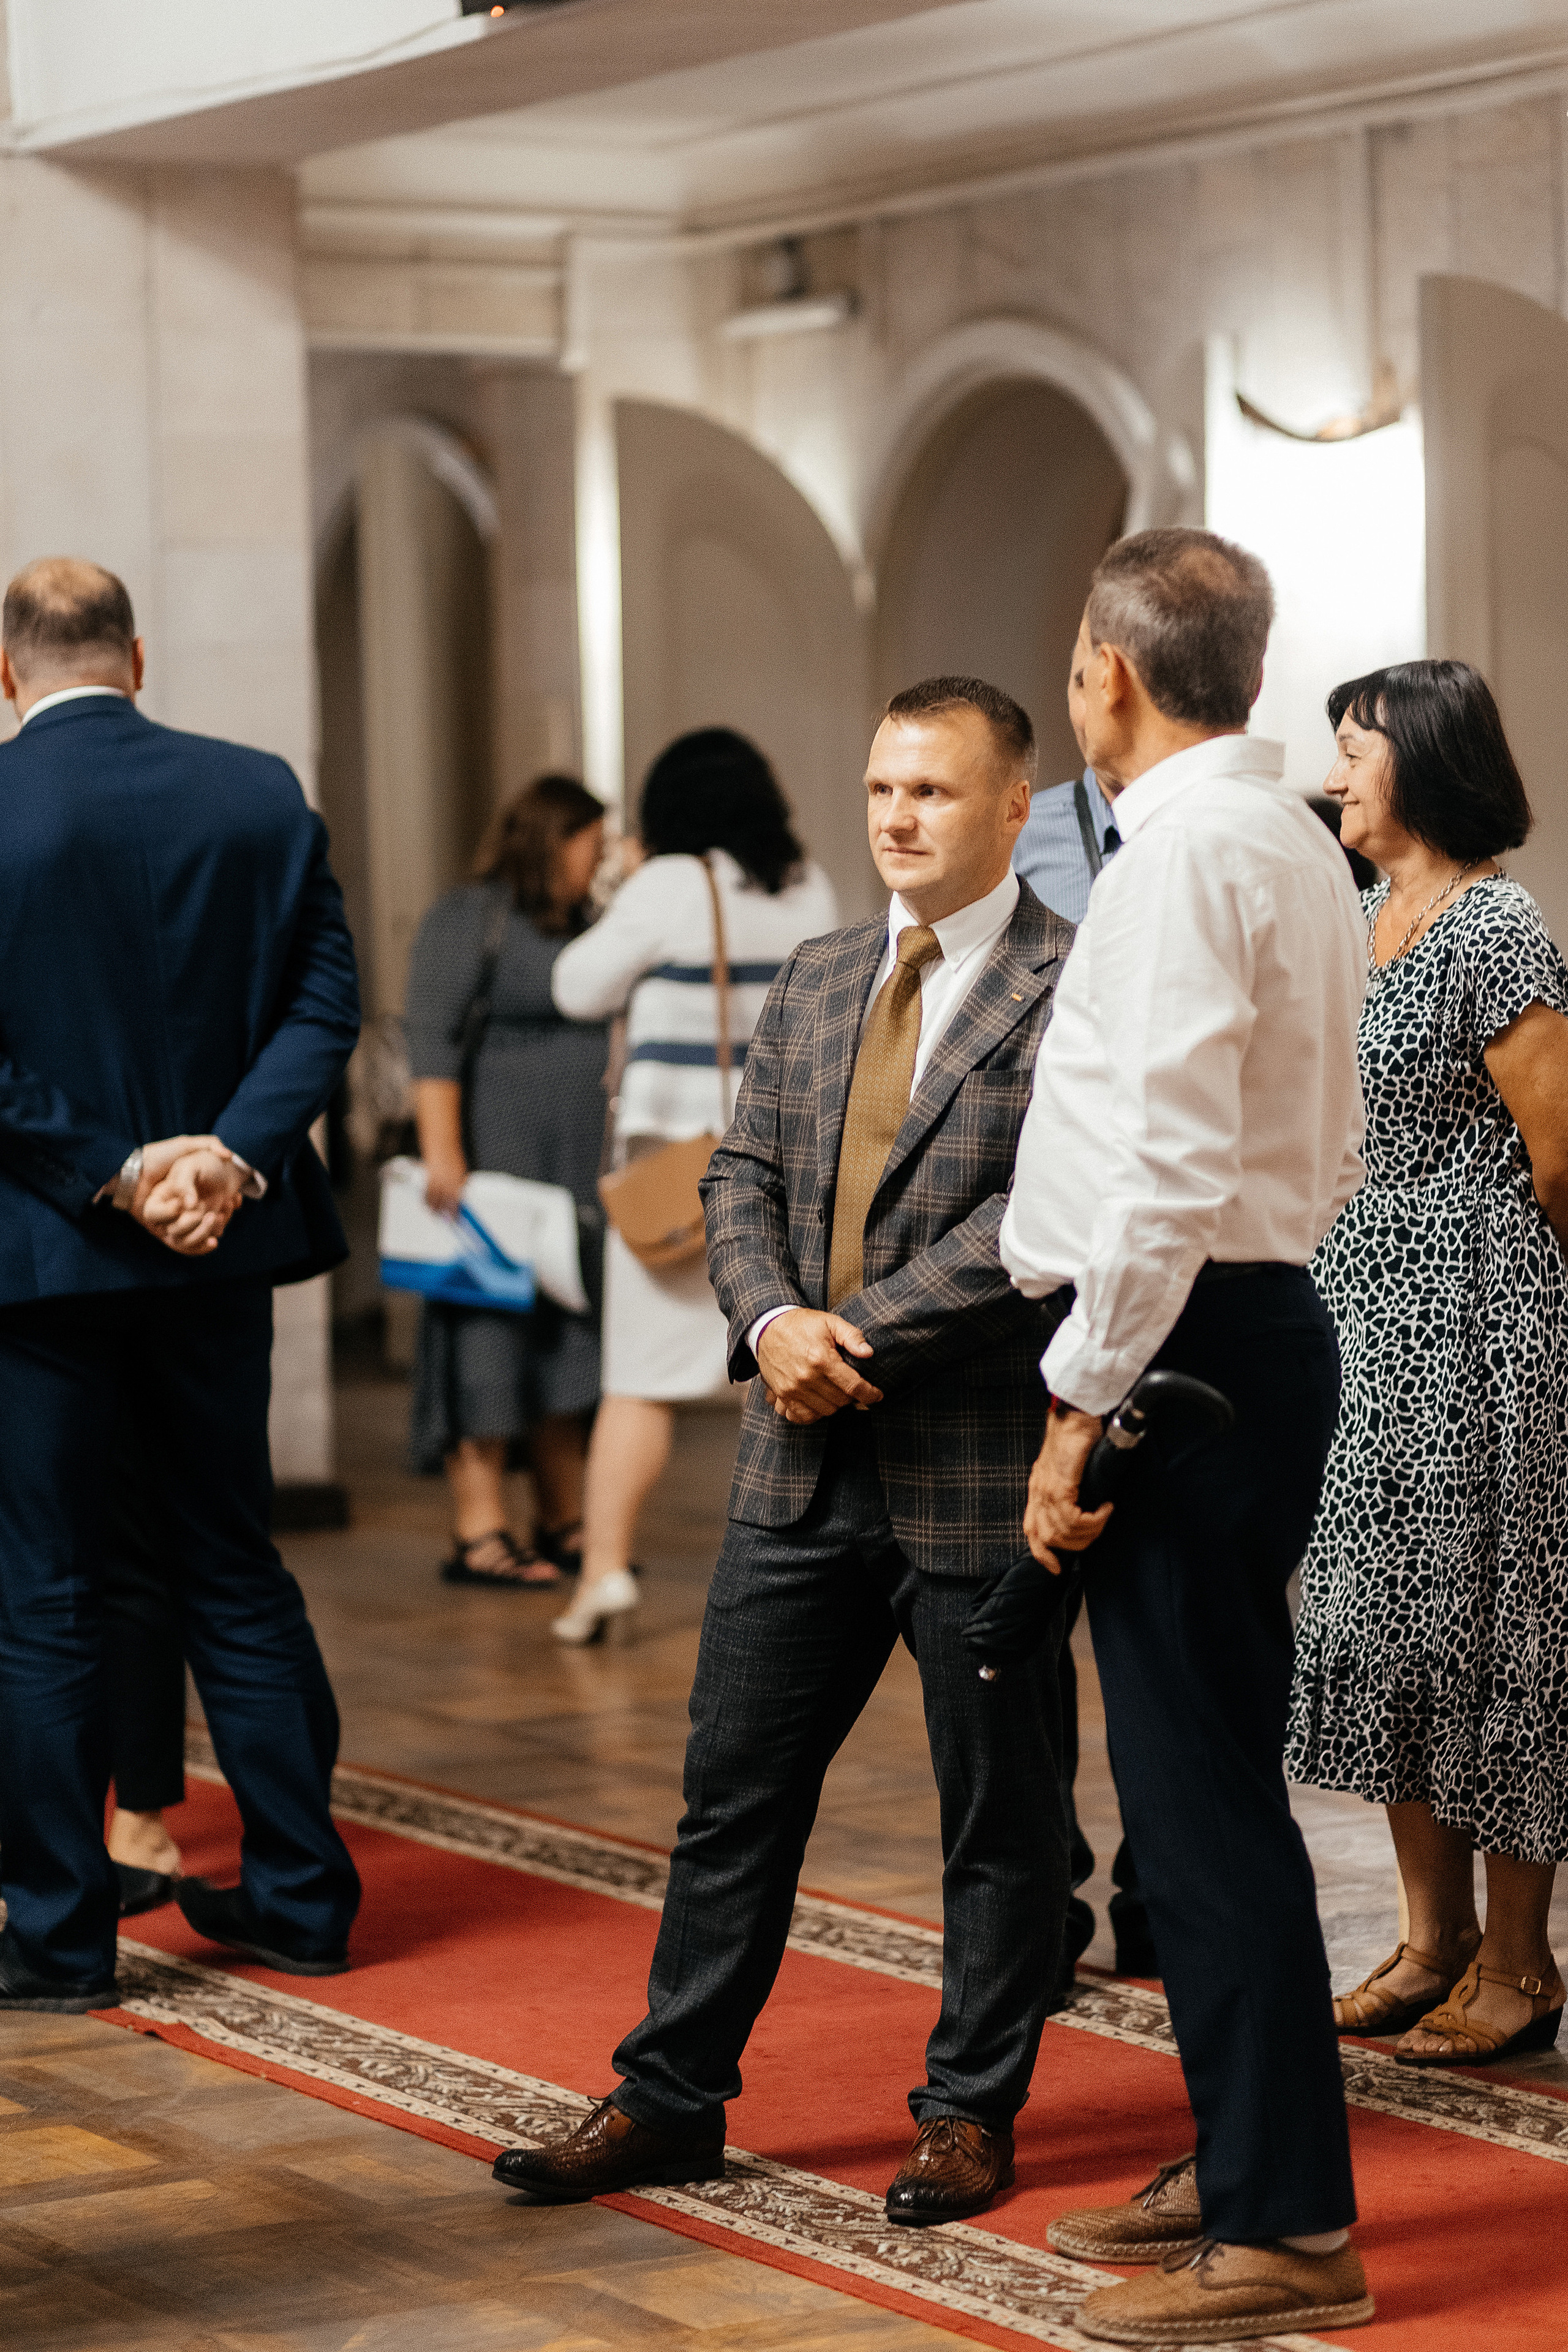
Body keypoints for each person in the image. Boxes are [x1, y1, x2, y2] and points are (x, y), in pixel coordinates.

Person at [494, 676, 1075, 2225]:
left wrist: (847, 1337)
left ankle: (967, 2112)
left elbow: (1042, 1220)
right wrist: (764, 1326)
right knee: (729, 1796)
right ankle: (668, 2096)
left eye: (931, 791)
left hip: (972, 1466)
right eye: (881, 789)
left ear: (1012, 805)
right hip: (794, 1466)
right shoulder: (819, 972)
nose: (897, 817)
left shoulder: (1072, 982)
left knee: (998, 1818)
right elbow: (737, 1172)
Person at [1000, 529, 1375, 2343]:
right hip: (1248, 1320)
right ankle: (1244, 2157)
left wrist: (1080, 1401)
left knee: (1200, 1801)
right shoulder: (1286, 838)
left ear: (1110, 673)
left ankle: (1286, 2227)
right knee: (1201, 1790)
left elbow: (1160, 1167)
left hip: (1181, 1344)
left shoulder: (1181, 857)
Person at [0, 556, 362, 2008]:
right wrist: (223, 1157)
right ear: (136, 658)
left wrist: (112, 1169)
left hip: (42, 1258)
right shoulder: (256, 790)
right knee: (232, 1563)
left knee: (46, 1592)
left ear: (8, 673)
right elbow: (325, 999)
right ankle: (301, 1898)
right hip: (220, 1248)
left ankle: (59, 1938)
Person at [1287, 660, 1568, 2067]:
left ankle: (1517, 1960)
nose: (1335, 773)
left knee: (1492, 1634)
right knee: (1383, 1628)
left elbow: (1557, 1154)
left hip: (1475, 1319)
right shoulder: (1352, 918)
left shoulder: (1494, 924)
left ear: (1428, 762)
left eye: (1356, 749)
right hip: (1357, 1317)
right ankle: (1429, 1937)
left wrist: (1517, 1308)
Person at [548, 729, 837, 1646]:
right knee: (785, 1374)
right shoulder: (808, 885)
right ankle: (805, 1576)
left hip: (679, 1180)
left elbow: (573, 987)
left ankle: (603, 1573)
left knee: (639, 1383)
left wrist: (632, 878)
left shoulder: (672, 883)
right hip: (788, 1164)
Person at [1013, 723, 1154, 1999]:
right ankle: (1044, 1899)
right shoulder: (1028, 832)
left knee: (1163, 1617)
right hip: (1046, 1268)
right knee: (1036, 1605)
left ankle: (1156, 1894)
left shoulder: (1241, 839)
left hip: (1183, 1267)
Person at [404, 775, 609, 1589]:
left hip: (573, 1178)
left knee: (567, 1342)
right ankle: (479, 1529)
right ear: (552, 839)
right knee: (485, 1335)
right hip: (491, 1168)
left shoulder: (594, 925)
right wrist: (443, 1152)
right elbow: (431, 1036)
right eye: (592, 843)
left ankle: (563, 1519)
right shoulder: (469, 916)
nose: (599, 859)